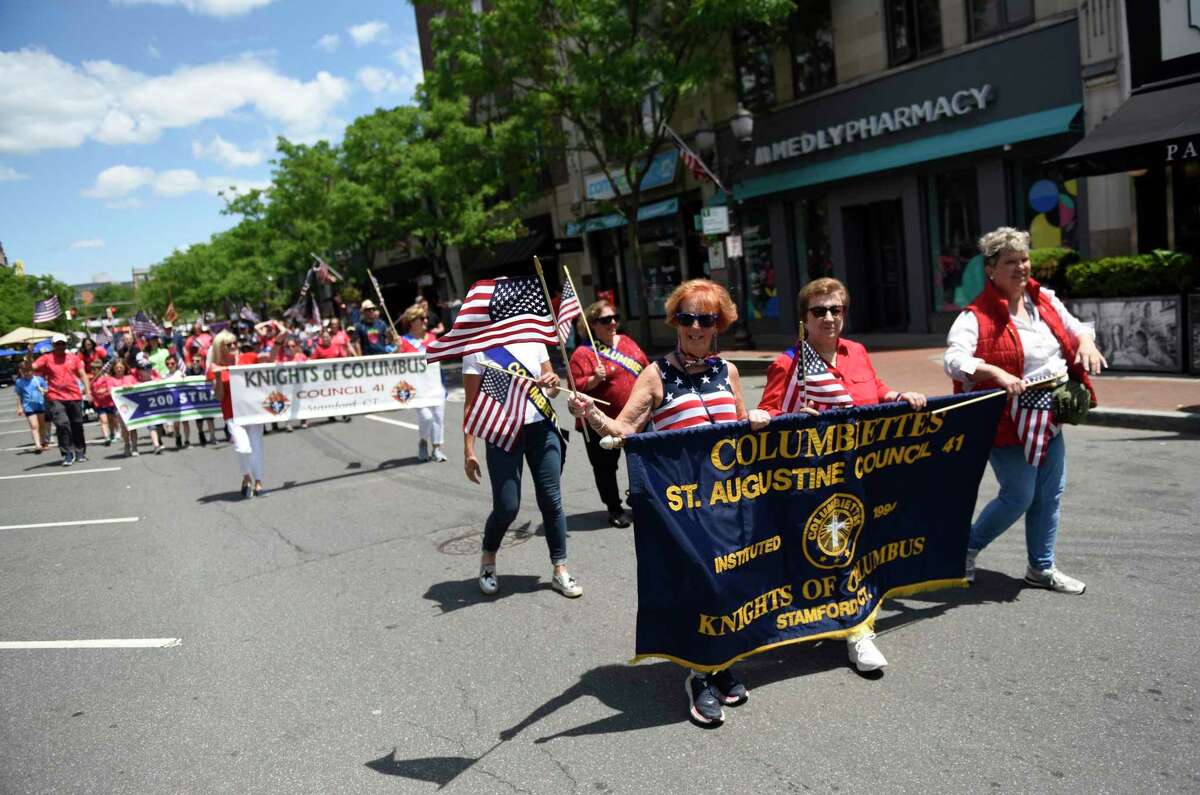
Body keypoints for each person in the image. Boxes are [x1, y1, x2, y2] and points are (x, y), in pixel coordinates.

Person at [567, 279, 770, 728]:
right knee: (701, 588)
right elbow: (623, 430)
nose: (697, 327)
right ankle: (698, 676)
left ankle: (719, 662)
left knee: (730, 585)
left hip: (730, 500)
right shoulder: (657, 374)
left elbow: (739, 428)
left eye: (707, 319)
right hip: (681, 508)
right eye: (688, 318)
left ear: (720, 324)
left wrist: (756, 418)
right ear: (676, 321)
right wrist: (590, 411)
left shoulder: (729, 373)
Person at [758, 277, 927, 675]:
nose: (829, 317)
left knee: (859, 551)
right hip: (814, 479)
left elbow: (873, 388)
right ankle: (855, 632)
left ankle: (853, 624)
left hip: (863, 472)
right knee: (832, 552)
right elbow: (767, 419)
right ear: (804, 318)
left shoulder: (858, 352)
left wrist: (894, 397)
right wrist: (791, 420)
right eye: (819, 311)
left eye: (837, 309)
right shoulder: (788, 364)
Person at [944, 227, 1106, 594]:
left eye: (1024, 259)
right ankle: (964, 549)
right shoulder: (975, 317)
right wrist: (993, 371)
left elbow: (1076, 326)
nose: (1021, 267)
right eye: (1010, 261)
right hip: (1006, 421)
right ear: (990, 269)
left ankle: (1041, 568)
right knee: (1019, 495)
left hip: (1050, 416)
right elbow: (954, 361)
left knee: (1050, 494)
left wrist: (1084, 341)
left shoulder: (1043, 299)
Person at [462, 342, 582, 600]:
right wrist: (468, 449)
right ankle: (488, 556)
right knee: (507, 506)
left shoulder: (533, 337)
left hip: (542, 428)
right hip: (501, 431)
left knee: (551, 500)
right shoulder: (477, 347)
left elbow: (551, 391)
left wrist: (551, 382)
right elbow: (471, 403)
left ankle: (560, 568)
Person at [567, 300, 650, 527]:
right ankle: (614, 507)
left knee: (641, 462)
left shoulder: (627, 343)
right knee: (605, 467)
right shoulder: (583, 354)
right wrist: (594, 380)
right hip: (599, 423)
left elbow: (646, 369)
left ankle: (641, 500)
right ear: (593, 324)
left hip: (635, 419)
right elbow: (574, 388)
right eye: (605, 320)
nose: (613, 323)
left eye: (615, 317)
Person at [209, 330, 265, 498]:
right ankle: (246, 476)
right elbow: (219, 396)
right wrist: (218, 377)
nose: (233, 346)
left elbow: (269, 360)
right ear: (220, 348)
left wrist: (277, 340)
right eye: (228, 344)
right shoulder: (214, 367)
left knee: (256, 448)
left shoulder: (248, 358)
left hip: (253, 411)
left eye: (235, 343)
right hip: (232, 413)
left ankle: (259, 482)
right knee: (243, 447)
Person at [33, 334, 91, 466]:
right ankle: (67, 454)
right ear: (53, 345)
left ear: (66, 345)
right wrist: (30, 355)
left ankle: (80, 452)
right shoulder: (46, 358)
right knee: (62, 424)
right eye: (57, 344)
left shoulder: (74, 358)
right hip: (55, 397)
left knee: (77, 425)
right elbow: (32, 367)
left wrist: (88, 391)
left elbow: (82, 375)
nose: (60, 346)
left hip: (74, 396)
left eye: (62, 344)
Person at [398, 304, 446, 462]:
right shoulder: (403, 342)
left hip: (435, 385)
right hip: (416, 388)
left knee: (438, 418)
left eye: (425, 318)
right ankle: (423, 442)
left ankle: (437, 449)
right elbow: (394, 363)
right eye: (422, 318)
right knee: (427, 418)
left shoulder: (432, 338)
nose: (426, 320)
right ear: (412, 322)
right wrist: (395, 348)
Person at [13, 360, 50, 453]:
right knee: (34, 426)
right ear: (21, 371)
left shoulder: (38, 379)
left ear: (32, 370)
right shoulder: (19, 382)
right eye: (24, 370)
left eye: (28, 370)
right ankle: (37, 445)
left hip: (40, 405)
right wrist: (19, 407)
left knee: (42, 425)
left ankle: (43, 442)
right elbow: (19, 395)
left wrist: (43, 390)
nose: (27, 372)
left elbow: (47, 390)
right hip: (28, 406)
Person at [132, 354, 166, 454]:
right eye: (144, 368)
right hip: (145, 408)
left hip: (157, 406)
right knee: (152, 425)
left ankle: (158, 440)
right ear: (139, 370)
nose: (147, 370)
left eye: (149, 367)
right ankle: (156, 445)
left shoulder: (156, 379)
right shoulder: (136, 381)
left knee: (159, 425)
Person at [107, 358, 141, 456]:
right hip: (120, 408)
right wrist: (123, 388)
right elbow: (110, 391)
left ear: (124, 368)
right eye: (117, 367)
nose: (119, 369)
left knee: (133, 427)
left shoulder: (130, 377)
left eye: (121, 367)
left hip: (132, 407)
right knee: (125, 428)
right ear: (113, 369)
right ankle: (127, 444)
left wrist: (132, 386)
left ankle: (134, 447)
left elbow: (138, 386)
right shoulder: (111, 380)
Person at [88, 360, 120, 446]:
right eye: (92, 369)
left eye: (95, 369)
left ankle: (113, 433)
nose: (93, 371)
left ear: (100, 369)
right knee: (103, 420)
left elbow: (111, 388)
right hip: (99, 404)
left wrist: (105, 390)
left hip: (109, 402)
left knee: (111, 420)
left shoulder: (107, 378)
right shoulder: (91, 380)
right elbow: (90, 391)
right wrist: (90, 395)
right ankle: (106, 437)